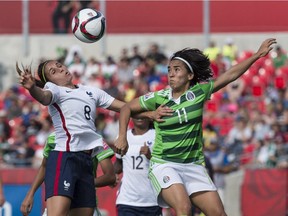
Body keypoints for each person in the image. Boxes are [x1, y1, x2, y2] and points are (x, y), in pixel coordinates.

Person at [114, 38, 277, 216]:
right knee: (184, 209)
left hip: (193, 165)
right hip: (165, 163)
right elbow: (126, 108)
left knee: (219, 213)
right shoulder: (158, 97)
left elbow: (229, 75)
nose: (171, 74)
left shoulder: (199, 93)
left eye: (177, 70)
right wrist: (125, 134)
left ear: (190, 75)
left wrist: (257, 55)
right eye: (169, 70)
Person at [16, 60, 165, 216]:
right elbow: (44, 97)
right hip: (65, 157)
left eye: (59, 65)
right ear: (49, 81)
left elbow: (125, 107)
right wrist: (32, 88)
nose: (59, 69)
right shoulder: (54, 90)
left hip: (86, 162)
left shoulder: (92, 92)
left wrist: (150, 114)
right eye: (53, 71)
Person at [20, 132, 116, 216]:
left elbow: (110, 177)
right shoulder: (53, 138)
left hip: (83, 201)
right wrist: (30, 194)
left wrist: (80, 184)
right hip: (58, 201)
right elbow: (44, 166)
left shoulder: (95, 139)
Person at [114, 118, 162, 216]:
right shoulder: (122, 136)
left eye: (143, 113)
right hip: (127, 201)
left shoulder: (157, 135)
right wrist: (113, 174)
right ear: (131, 116)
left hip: (152, 201)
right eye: (136, 114)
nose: (140, 117)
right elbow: (119, 163)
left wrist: (150, 156)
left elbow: (165, 166)